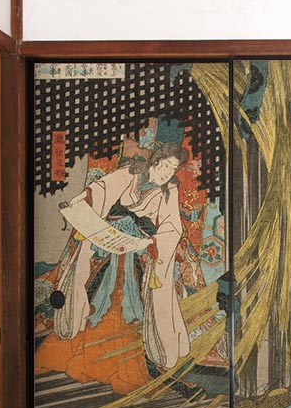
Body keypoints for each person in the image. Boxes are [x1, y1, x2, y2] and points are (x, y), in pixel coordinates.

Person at [36, 142, 192, 394]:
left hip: (138, 250)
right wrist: (84, 199)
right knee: (90, 290)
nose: (167, 172)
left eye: (172, 169)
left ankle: (128, 359)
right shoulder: (133, 171)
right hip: (106, 246)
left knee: (133, 302)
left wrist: (151, 242)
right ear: (156, 160)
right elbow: (102, 188)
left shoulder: (168, 190)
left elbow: (173, 227)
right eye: (165, 165)